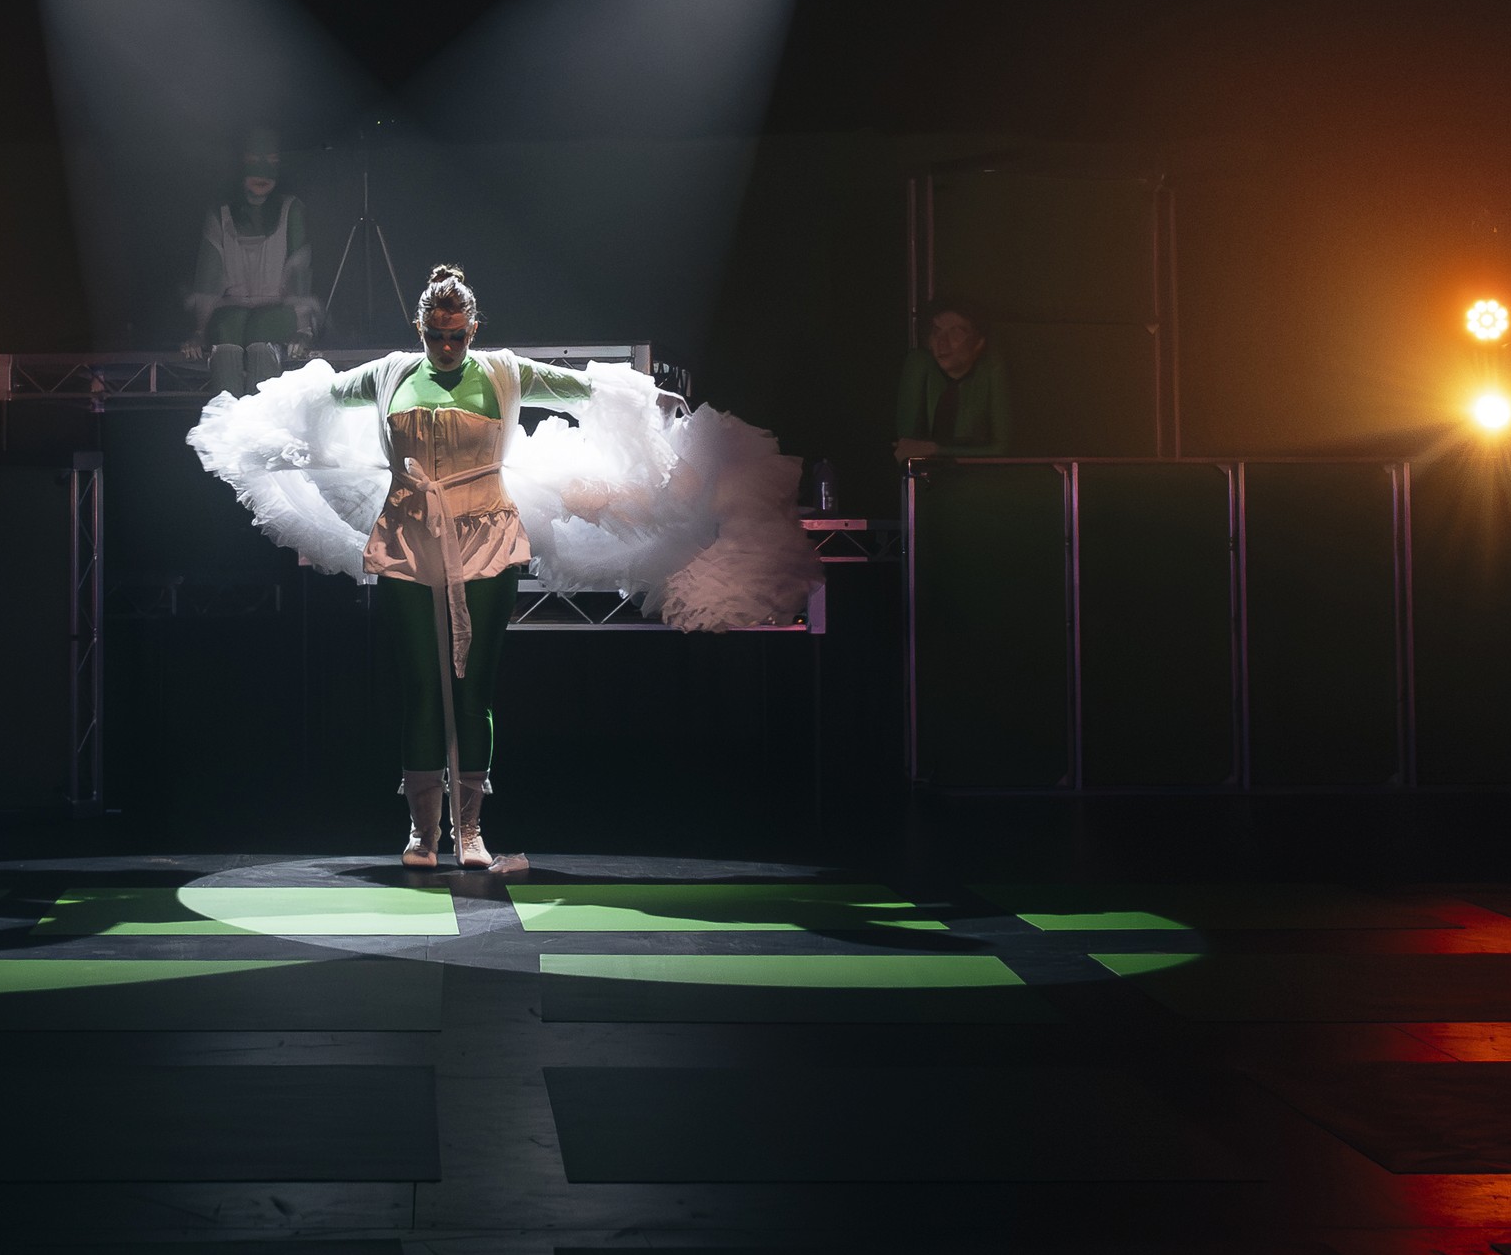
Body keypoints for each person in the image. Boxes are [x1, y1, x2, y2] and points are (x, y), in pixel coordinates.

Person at [187, 262, 817, 870]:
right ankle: (421, 829)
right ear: (420, 329)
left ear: (473, 329)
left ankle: (470, 828)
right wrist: (258, 417)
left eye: (457, 336)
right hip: (409, 533)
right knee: (420, 686)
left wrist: (649, 396)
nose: (446, 347)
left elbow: (581, 386)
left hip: (487, 532)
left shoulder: (503, 372)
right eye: (436, 336)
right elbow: (321, 393)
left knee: (473, 687)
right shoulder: (390, 373)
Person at [181, 127, 318, 388]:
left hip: (277, 313)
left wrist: (303, 330)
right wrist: (200, 332)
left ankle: (260, 410)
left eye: (272, 161)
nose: (262, 170)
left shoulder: (291, 210)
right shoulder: (220, 213)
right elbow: (208, 279)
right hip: (231, 313)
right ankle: (229, 410)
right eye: (254, 160)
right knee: (228, 329)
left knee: (262, 330)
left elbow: (299, 272)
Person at [891, 298, 1011, 466]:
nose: (942, 342)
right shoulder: (920, 364)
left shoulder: (991, 369)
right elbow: (906, 444)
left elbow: (1003, 448)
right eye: (936, 331)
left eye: (955, 333)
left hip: (978, 474)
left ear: (978, 343)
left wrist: (936, 450)